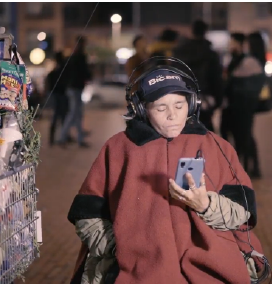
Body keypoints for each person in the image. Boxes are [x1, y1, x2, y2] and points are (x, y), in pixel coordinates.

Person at [68, 58, 265, 284]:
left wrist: (206, 205)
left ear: (191, 104)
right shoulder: (117, 148)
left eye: (179, 106)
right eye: (161, 107)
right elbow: (87, 216)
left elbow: (242, 213)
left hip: (209, 272)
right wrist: (118, 247)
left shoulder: (215, 146)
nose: (172, 115)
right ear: (142, 109)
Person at [223, 32, 265, 178]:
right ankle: (245, 167)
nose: (230, 45)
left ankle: (248, 168)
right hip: (235, 105)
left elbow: (235, 82)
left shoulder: (249, 62)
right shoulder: (236, 59)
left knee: (244, 136)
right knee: (242, 135)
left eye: (233, 42)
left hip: (243, 106)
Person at [174, 20, 223, 131]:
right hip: (205, 98)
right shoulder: (210, 54)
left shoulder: (179, 53)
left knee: (185, 131)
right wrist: (218, 100)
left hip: (183, 97)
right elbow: (216, 79)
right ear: (205, 32)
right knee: (205, 131)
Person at [59, 36, 91, 148]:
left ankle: (79, 139)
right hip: (76, 88)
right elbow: (84, 72)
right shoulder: (79, 56)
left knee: (77, 114)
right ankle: (62, 137)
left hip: (73, 87)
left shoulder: (72, 56)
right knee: (74, 113)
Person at [45, 51, 70, 146]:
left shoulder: (55, 70)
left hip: (56, 94)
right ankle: (62, 137)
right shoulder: (61, 69)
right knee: (61, 116)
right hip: (60, 94)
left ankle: (56, 138)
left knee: (57, 116)